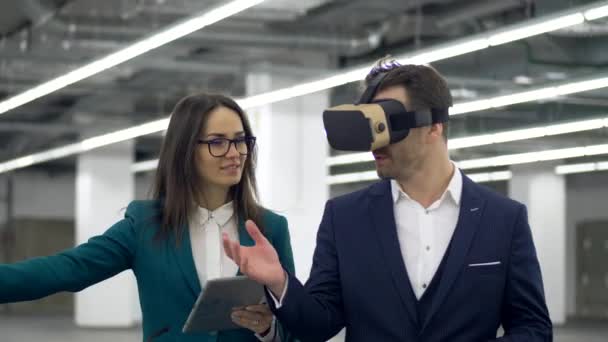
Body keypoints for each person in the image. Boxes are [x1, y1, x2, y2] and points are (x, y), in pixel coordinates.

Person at [223, 60, 553, 341]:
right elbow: (318, 323)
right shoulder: (345, 217)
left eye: (388, 123)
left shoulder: (504, 219)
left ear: (434, 126)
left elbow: (533, 328)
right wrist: (280, 281)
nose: (374, 143)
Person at [0, 93, 296, 342]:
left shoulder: (270, 228)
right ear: (184, 151)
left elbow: (296, 325)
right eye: (217, 142)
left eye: (241, 140)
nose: (235, 153)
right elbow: (66, 269)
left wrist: (268, 329)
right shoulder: (145, 224)